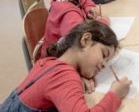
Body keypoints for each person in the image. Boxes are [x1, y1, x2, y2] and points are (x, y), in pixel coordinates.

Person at [1, 20, 132, 112]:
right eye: (104, 54)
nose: (104, 65)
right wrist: (115, 95)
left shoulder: (50, 62)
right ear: (85, 40)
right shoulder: (65, 78)